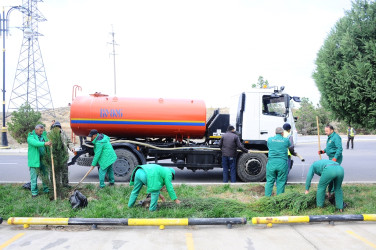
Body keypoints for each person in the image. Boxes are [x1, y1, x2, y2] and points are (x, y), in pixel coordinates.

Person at [27, 124, 52, 198]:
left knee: (45, 175)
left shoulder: (44, 136)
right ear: (36, 130)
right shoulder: (30, 137)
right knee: (34, 177)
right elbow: (35, 143)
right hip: (35, 161)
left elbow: (49, 140)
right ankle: (34, 193)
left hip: (44, 160)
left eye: (42, 131)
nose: (41, 132)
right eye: (40, 131)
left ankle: (46, 189)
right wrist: (45, 143)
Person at [265, 127, 291, 196]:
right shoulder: (286, 140)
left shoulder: (270, 140)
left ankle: (267, 199)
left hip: (271, 163)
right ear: (282, 133)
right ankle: (279, 199)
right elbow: (290, 146)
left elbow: (269, 146)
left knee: (269, 181)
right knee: (281, 182)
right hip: (282, 163)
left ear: (275, 132)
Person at [51, 121, 74, 187]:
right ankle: (56, 185)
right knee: (56, 172)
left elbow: (69, 141)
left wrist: (71, 148)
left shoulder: (63, 133)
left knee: (64, 170)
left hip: (63, 155)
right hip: (55, 155)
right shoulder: (50, 134)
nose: (57, 129)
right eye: (56, 127)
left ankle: (65, 184)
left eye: (58, 127)